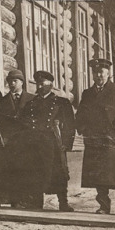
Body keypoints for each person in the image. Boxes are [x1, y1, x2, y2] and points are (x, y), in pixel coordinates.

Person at [76, 58, 115, 217]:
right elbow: (81, 112)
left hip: (113, 138)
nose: (98, 75)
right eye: (95, 72)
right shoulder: (87, 93)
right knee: (98, 174)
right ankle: (103, 205)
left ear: (108, 73)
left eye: (101, 72)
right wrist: (83, 128)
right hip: (94, 138)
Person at [18, 71, 75, 211]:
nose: (40, 86)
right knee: (35, 172)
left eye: (43, 83)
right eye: (38, 83)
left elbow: (69, 125)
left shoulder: (61, 102)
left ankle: (63, 202)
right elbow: (23, 123)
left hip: (54, 143)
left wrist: (67, 144)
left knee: (59, 173)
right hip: (34, 144)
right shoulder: (31, 104)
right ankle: (36, 202)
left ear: (51, 85)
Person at [0, 69, 35, 208]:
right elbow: (0, 121)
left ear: (22, 82)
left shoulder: (31, 99)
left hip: (28, 142)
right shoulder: (3, 101)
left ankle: (31, 201)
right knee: (13, 171)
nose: (12, 84)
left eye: (15, 81)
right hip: (11, 142)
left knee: (29, 171)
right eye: (10, 81)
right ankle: (15, 201)